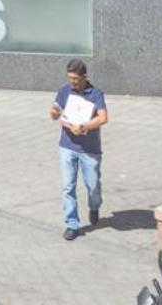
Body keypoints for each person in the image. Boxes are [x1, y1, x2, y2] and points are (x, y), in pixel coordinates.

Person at [50, 57, 108, 240]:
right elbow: (55, 110)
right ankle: (72, 225)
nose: (72, 82)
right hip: (67, 146)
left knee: (93, 186)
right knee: (68, 187)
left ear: (84, 77)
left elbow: (103, 118)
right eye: (69, 78)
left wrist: (84, 127)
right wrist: (53, 112)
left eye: (75, 79)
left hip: (89, 149)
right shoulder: (64, 91)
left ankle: (94, 206)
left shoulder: (96, 93)